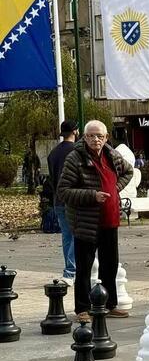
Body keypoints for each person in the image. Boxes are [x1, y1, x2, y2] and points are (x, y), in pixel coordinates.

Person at [57, 120, 133, 323]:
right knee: (84, 267)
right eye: (91, 135)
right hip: (86, 222)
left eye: (99, 136)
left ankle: (109, 304)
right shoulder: (75, 157)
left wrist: (115, 188)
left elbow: (129, 171)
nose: (95, 139)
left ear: (106, 137)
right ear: (84, 137)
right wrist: (92, 195)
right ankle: (82, 309)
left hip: (110, 219)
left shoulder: (112, 154)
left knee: (110, 265)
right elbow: (63, 191)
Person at [47, 120, 79, 285]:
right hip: (74, 198)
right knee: (76, 235)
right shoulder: (77, 151)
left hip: (58, 199)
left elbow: (52, 178)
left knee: (67, 236)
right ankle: (71, 271)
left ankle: (69, 269)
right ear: (75, 131)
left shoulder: (53, 153)